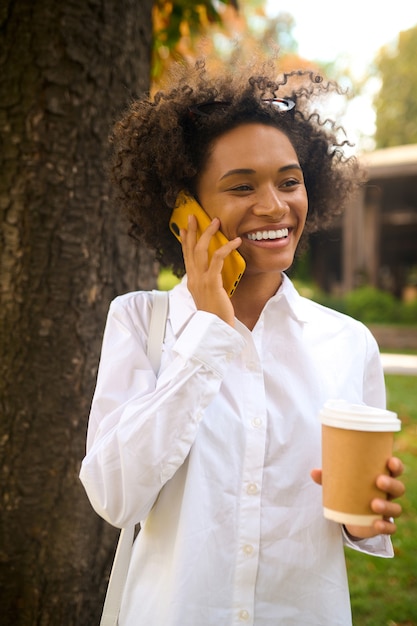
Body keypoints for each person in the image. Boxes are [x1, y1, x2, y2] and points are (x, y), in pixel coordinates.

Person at [80, 59, 405, 626]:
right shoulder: (140, 323)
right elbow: (115, 497)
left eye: (289, 181)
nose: (275, 207)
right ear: (187, 212)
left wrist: (363, 518)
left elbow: (350, 519)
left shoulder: (348, 344)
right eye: (241, 187)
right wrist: (207, 331)